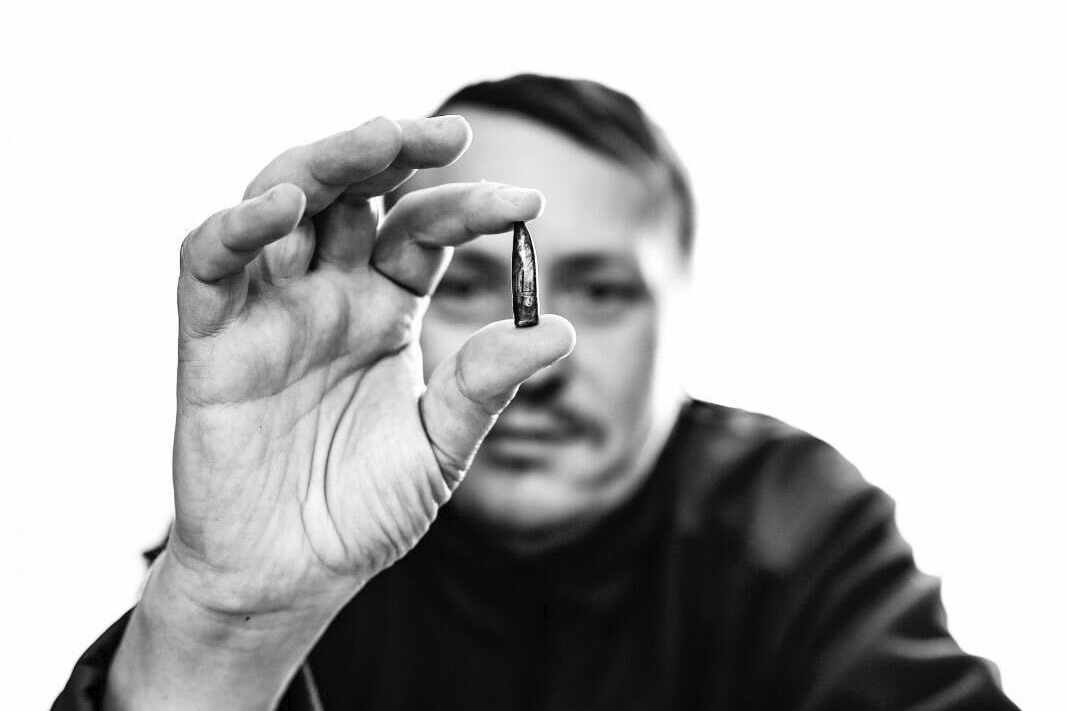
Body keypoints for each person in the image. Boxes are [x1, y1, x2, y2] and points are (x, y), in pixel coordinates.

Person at [52, 74, 1019, 711]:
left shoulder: (795, 522)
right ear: (393, 304)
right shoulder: (290, 519)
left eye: (602, 291)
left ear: (683, 317)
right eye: (466, 283)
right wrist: (220, 631)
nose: (537, 359)